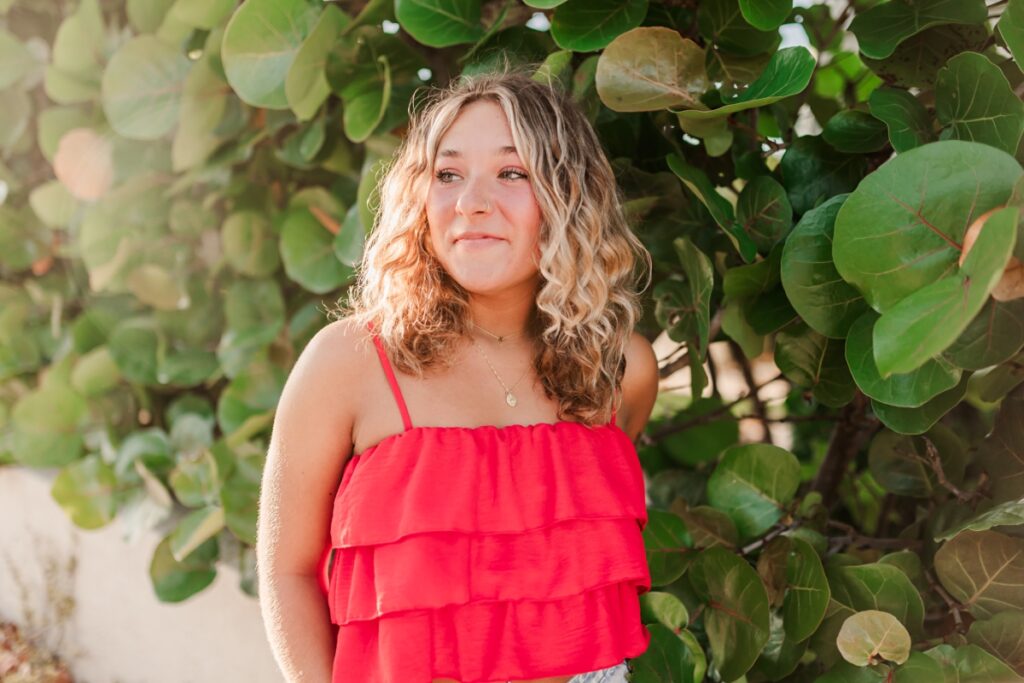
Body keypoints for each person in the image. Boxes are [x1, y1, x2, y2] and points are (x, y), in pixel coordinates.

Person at [257, 64, 660, 683]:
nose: (472, 202)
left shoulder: (618, 367)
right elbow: (287, 570)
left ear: (568, 196)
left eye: (511, 172)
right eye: (447, 174)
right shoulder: (349, 363)